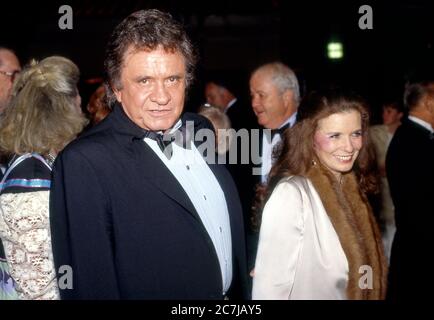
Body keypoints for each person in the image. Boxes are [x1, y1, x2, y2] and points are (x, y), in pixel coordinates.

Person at [49, 9, 248, 300]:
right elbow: (91, 283)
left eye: (172, 79)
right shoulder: (84, 162)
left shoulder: (200, 128)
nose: (162, 96)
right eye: (144, 81)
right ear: (117, 87)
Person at [252, 89, 387, 300]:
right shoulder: (292, 196)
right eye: (334, 136)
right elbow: (269, 291)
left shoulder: (354, 190)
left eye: (356, 134)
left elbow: (364, 274)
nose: (349, 146)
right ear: (310, 137)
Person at [0, 56, 87, 300]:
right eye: (77, 95)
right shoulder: (30, 179)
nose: (82, 102)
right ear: (64, 107)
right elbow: (38, 287)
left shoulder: (45, 162)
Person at [386, 77, 434, 301]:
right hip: (419, 254)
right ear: (429, 103)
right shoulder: (413, 141)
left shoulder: (415, 137)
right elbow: (418, 206)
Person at [369, 101, 404, 261]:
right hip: (381, 193)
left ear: (399, 114)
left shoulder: (407, 133)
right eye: (383, 111)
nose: (384, 115)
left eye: (389, 111)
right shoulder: (374, 133)